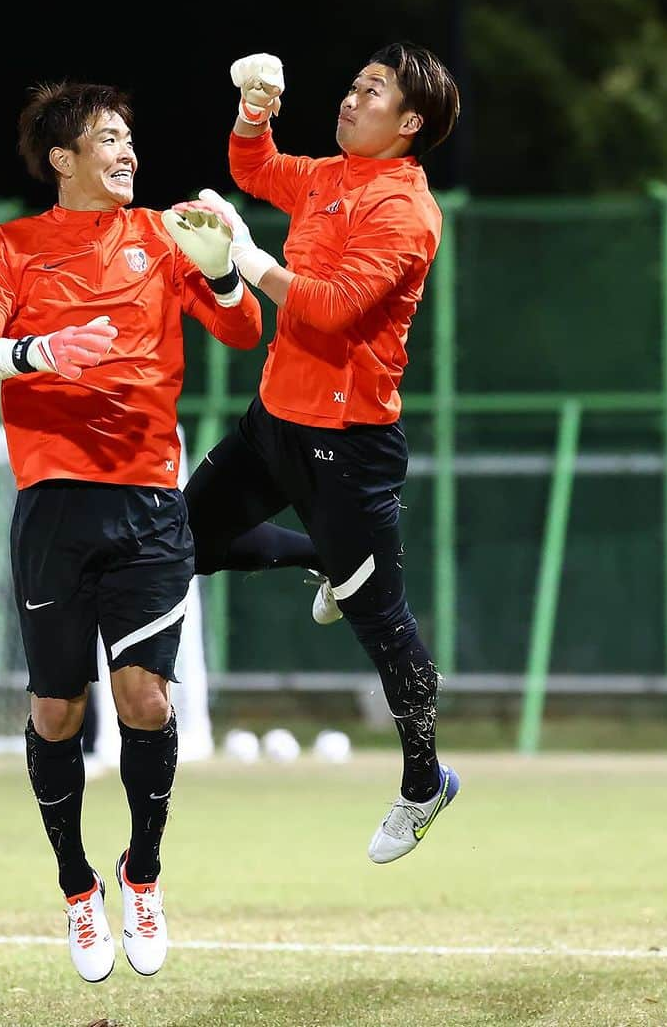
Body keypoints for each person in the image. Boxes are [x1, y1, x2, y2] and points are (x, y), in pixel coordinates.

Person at [0, 81, 262, 983]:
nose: (128, 153)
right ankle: (77, 887)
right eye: (108, 139)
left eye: (131, 138)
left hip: (149, 504)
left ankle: (145, 872)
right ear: (62, 159)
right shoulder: (12, 247)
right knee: (58, 709)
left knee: (149, 703)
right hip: (54, 503)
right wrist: (38, 352)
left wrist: (220, 270)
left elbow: (242, 332)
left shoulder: (165, 235)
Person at [177, 42, 462, 864]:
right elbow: (253, 165)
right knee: (175, 546)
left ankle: (423, 784)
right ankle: (330, 559)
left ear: (409, 123)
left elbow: (333, 311)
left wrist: (245, 256)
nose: (348, 100)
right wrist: (254, 110)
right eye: (350, 85)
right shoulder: (329, 176)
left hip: (351, 445)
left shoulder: (407, 211)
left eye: (370, 92)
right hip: (273, 422)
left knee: (385, 629)